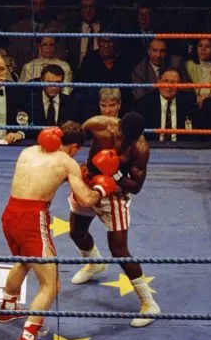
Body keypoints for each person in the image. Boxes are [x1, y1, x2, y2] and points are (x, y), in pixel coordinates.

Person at [0, 121, 116, 340]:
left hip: (9, 214)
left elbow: (42, 177)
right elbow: (86, 199)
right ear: (74, 147)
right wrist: (102, 188)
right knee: (51, 284)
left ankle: (7, 307)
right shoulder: (66, 162)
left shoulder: (28, 151)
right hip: (32, 219)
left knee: (25, 261)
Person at [68, 112, 160, 328]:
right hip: (89, 184)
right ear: (117, 127)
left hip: (114, 196)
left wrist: (115, 173)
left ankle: (149, 304)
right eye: (120, 136)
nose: (122, 142)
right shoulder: (99, 125)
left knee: (119, 250)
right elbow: (74, 136)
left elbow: (136, 187)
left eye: (128, 140)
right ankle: (94, 264)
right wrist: (71, 161)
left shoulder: (140, 149)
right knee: (76, 232)